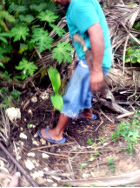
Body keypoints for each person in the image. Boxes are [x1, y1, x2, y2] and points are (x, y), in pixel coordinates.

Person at [41, 0, 112, 144]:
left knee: (74, 93)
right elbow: (82, 34)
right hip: (90, 57)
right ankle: (87, 112)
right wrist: (78, 56)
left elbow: (96, 33)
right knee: (84, 88)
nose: (55, 1)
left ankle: (57, 133)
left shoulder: (79, 4)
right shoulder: (78, 3)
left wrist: (97, 69)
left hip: (94, 60)